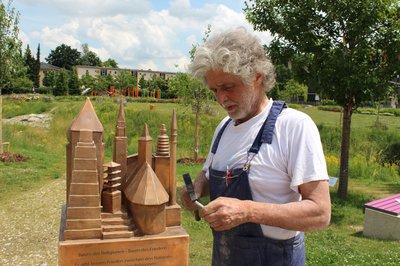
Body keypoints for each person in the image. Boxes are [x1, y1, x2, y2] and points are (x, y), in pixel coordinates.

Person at [181, 27, 331, 266]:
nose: (220, 99)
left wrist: (247, 211)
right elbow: (208, 175)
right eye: (214, 91)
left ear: (257, 77)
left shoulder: (293, 126)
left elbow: (320, 213)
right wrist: (196, 190)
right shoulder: (224, 127)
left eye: (228, 87)